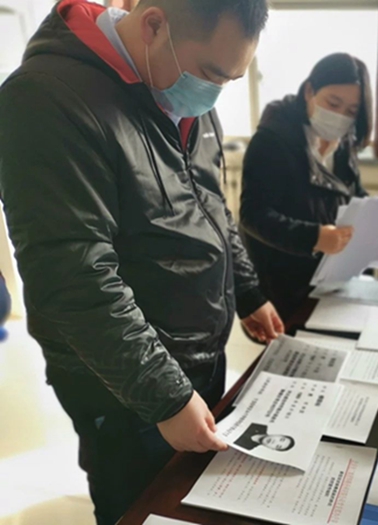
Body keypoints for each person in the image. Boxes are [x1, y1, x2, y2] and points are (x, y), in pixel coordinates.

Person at [0, 1, 284, 524]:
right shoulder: (46, 98)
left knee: (192, 506)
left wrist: (249, 292)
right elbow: (73, 274)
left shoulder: (180, 83)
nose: (214, 92)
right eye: (211, 74)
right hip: (123, 383)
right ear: (155, 24)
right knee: (138, 505)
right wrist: (166, 397)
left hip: (198, 357)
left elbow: (211, 206)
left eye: (230, 79)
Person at [240, 53, 378, 320]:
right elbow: (253, 216)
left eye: (351, 111)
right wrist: (314, 238)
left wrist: (376, 228)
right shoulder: (272, 142)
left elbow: (354, 193)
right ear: (309, 91)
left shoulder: (344, 142)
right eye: (333, 103)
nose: (339, 117)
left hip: (330, 280)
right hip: (282, 286)